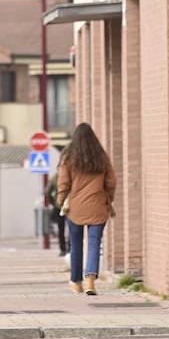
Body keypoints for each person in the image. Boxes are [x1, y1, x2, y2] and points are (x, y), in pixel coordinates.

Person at [55, 122, 117, 296]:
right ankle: (90, 280)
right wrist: (108, 197)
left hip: (75, 207)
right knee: (94, 243)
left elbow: (63, 182)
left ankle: (76, 282)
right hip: (98, 206)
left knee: (76, 245)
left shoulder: (69, 157)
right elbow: (111, 180)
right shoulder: (101, 157)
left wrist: (61, 199)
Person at [47, 171, 69, 256]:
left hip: (59, 206)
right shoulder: (72, 173)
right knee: (73, 228)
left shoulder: (55, 177)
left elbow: (48, 192)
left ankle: (63, 249)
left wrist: (54, 203)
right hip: (71, 205)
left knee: (61, 229)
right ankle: (70, 248)